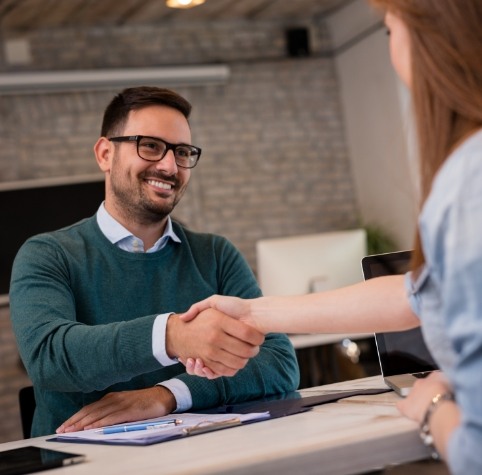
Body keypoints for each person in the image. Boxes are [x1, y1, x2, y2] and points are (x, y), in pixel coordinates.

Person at [181, 1, 482, 473]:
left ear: (433, 38)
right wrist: (254, 312)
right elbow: (415, 296)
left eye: (389, 32)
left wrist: (434, 406)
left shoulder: (468, 179)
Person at [9, 86, 299, 437]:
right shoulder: (47, 254)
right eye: (150, 146)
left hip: (204, 456)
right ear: (105, 154)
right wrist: (172, 335)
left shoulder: (216, 255)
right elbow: (49, 358)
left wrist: (168, 395)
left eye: (182, 152)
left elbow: (279, 362)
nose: (169, 165)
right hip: (85, 463)